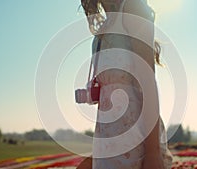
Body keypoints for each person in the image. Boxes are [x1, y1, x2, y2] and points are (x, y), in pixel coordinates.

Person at [77, 0, 173, 168]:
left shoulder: (133, 7)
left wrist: (152, 153)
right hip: (109, 141)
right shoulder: (103, 28)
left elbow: (148, 81)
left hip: (138, 138)